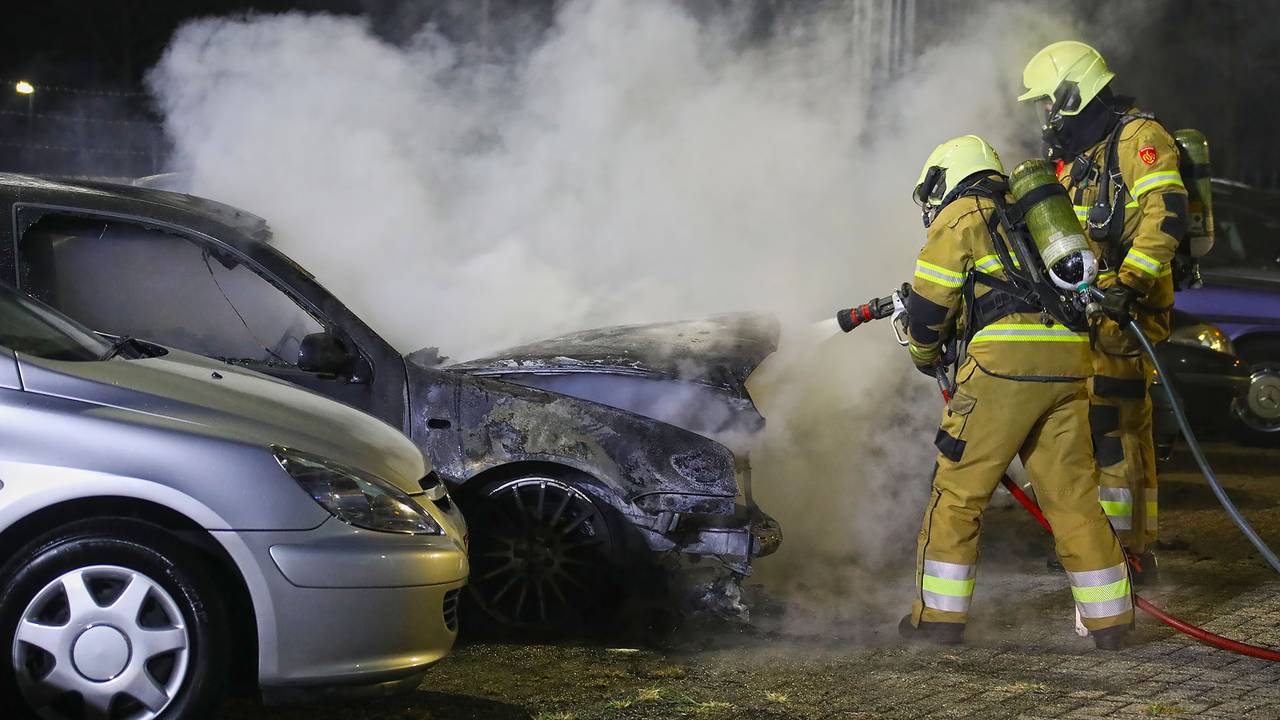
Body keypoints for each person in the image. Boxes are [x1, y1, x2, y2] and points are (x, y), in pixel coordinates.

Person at [898, 135, 1133, 650]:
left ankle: (936, 620)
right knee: (1072, 498)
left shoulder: (960, 215)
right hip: (1070, 365)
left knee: (957, 495)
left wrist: (921, 354)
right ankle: (1110, 622)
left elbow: (929, 309)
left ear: (943, 178)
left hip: (1003, 371)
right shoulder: (1039, 214)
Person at [1019, 41, 1189, 583]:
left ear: (1072, 94)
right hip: (1094, 315)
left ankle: (1124, 552)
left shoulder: (1139, 140)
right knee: (1105, 432)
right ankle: (1117, 545)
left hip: (1123, 314)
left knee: (1112, 432)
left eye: (1047, 102)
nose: (1044, 116)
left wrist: (1132, 284)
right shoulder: (1084, 156)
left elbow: (1166, 214)